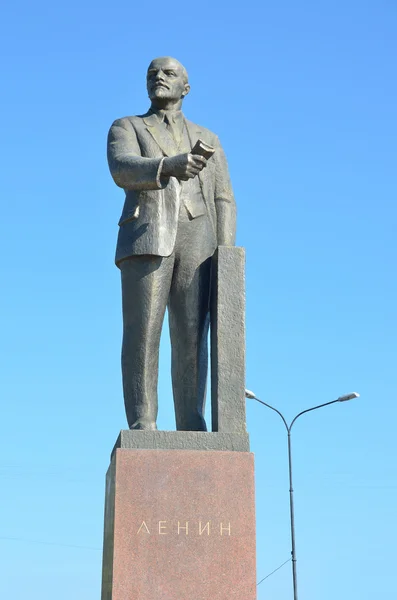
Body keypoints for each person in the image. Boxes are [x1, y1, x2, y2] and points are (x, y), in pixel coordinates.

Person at [107, 56, 236, 431]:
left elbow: (224, 198)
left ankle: (191, 421)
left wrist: (226, 253)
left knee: (193, 334)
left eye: (168, 73)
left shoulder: (208, 137)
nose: (158, 78)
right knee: (143, 331)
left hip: (199, 238)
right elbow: (121, 167)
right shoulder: (127, 126)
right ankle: (143, 420)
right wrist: (167, 167)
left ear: (186, 87)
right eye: (152, 74)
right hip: (147, 234)